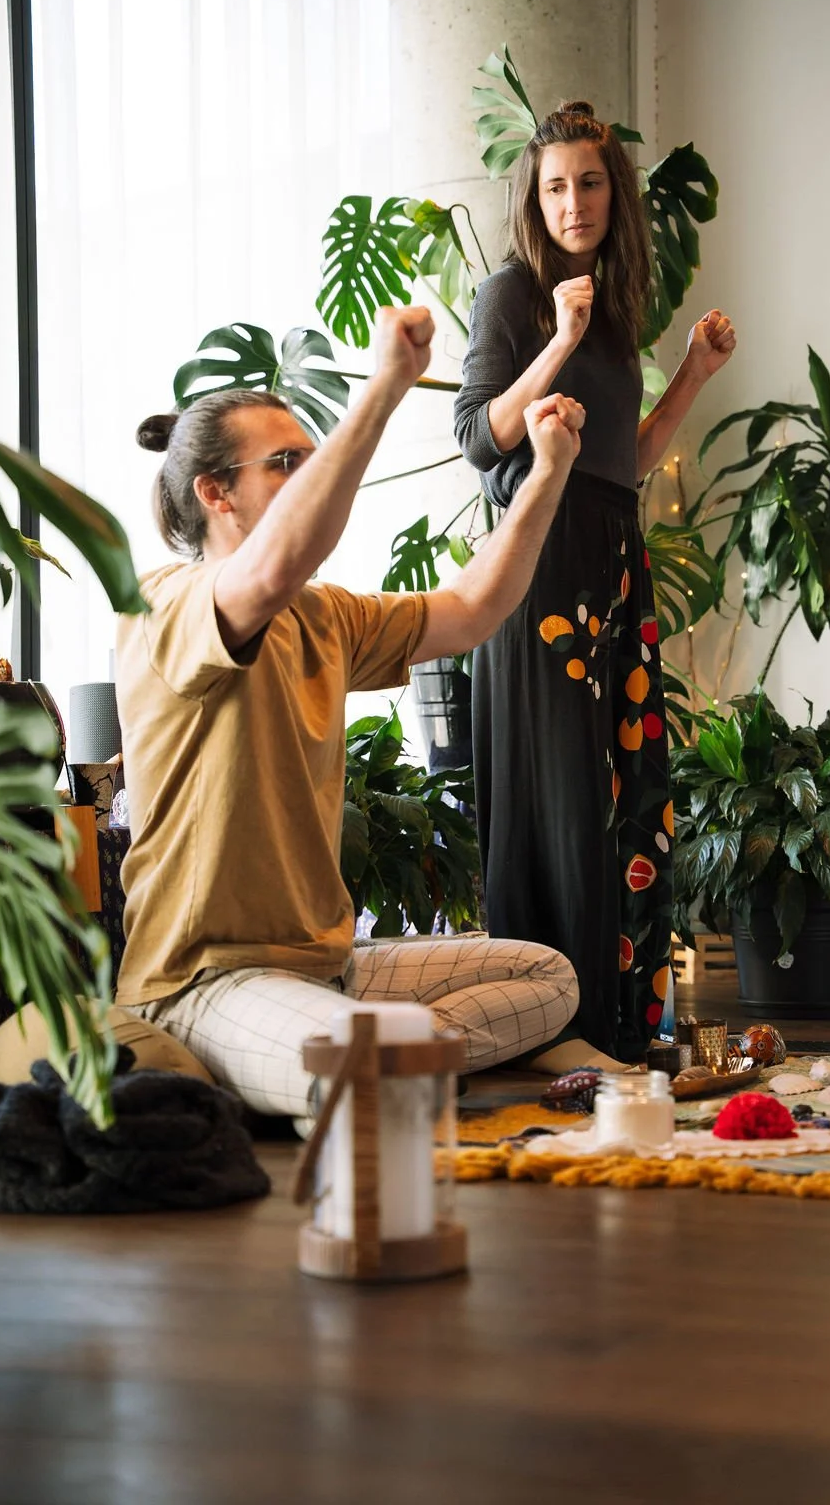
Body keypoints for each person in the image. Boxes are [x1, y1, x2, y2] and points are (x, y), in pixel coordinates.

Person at [113, 304, 586, 1125]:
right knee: (391, 1066)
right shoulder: (165, 605)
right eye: (287, 462)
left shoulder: (323, 615)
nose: (311, 470)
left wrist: (547, 472)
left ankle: (355, 1056)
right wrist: (386, 386)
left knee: (550, 977)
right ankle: (346, 1061)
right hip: (204, 981)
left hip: (331, 969)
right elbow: (268, 572)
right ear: (214, 492)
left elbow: (471, 609)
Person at [454, 101, 736, 1072]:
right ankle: (548, 1032)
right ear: (535, 201)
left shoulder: (611, 310)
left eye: (590, 181)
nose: (574, 200)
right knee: (563, 802)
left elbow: (629, 456)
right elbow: (478, 437)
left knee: (629, 797)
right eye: (556, 185)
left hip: (614, 553)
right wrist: (555, 342)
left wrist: (693, 372)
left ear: (614, 194)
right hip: (538, 565)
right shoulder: (514, 296)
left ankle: (620, 1026)